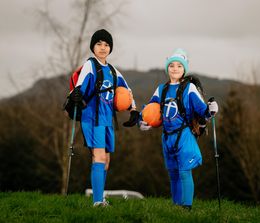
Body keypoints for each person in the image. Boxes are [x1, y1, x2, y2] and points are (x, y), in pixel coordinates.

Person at [139, 48, 218, 210]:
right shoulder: (161, 89)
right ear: (167, 68)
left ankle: (186, 207)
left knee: (184, 172)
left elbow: (202, 110)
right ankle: (176, 206)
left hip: (184, 136)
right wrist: (143, 120)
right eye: (172, 65)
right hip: (167, 137)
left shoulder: (189, 88)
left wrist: (211, 110)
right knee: (173, 174)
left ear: (184, 69)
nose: (175, 68)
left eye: (179, 66)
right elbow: (150, 110)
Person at [71, 29, 139, 207]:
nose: (103, 48)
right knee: (99, 157)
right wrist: (76, 95)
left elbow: (127, 91)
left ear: (110, 48)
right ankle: (97, 202)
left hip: (107, 120)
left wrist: (133, 110)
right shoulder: (90, 66)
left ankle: (100, 196)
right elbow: (77, 88)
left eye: (106, 44)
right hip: (92, 118)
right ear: (93, 46)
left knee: (106, 161)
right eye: (99, 44)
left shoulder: (113, 71)